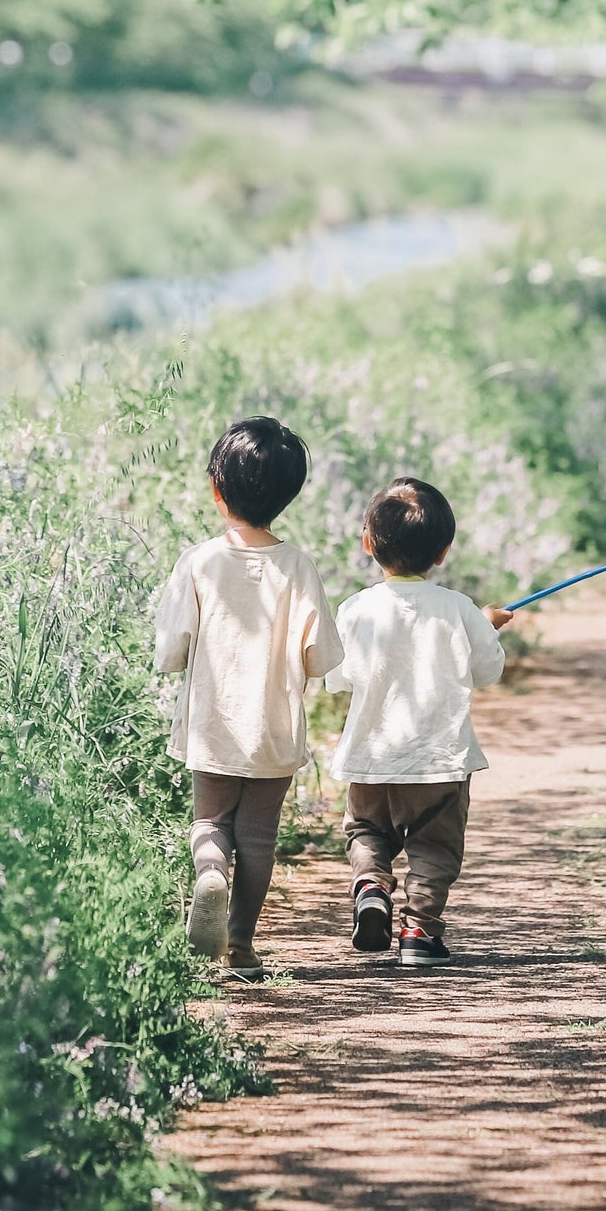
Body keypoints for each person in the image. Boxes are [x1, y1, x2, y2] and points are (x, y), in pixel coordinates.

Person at [152, 415, 344, 981]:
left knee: (211, 823)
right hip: (274, 727)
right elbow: (320, 656)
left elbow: (171, 648)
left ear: (217, 488)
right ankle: (240, 947)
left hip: (212, 723)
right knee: (258, 837)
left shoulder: (200, 562)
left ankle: (209, 870)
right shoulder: (298, 567)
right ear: (289, 494)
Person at [326, 477, 514, 969]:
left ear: (368, 544)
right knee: (434, 847)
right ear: (443, 552)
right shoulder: (459, 610)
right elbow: (488, 671)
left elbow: (336, 678)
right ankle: (419, 933)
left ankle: (370, 884)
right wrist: (484, 625)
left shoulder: (356, 610)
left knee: (367, 831)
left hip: (371, 758)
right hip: (440, 761)